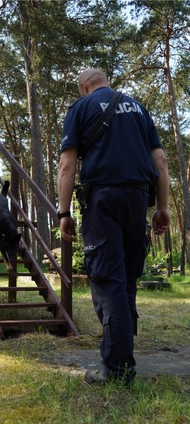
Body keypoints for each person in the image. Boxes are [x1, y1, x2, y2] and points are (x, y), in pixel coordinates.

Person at [57, 68, 170, 385]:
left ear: (84, 87)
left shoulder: (80, 108)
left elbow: (68, 164)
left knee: (108, 279)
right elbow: (159, 162)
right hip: (138, 199)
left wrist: (63, 211)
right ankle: (122, 355)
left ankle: (119, 370)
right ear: (105, 81)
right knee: (127, 277)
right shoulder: (138, 108)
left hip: (103, 200)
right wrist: (161, 208)